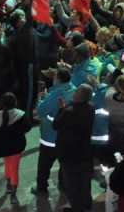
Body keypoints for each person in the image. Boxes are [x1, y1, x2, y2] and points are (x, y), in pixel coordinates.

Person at [32, 68, 75, 196]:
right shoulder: (74, 89)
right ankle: (63, 185)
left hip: (50, 138)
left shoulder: (56, 94)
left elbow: (40, 111)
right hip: (67, 138)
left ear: (58, 79)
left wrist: (40, 99)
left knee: (44, 166)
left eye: (55, 76)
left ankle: (41, 188)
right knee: (64, 164)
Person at [53, 83, 95, 212]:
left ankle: (76, 208)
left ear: (79, 95)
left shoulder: (68, 111)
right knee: (85, 182)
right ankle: (87, 205)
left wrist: (61, 109)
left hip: (69, 153)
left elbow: (56, 125)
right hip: (85, 151)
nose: (74, 92)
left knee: (72, 184)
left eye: (76, 91)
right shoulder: (91, 108)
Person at [0, 92, 30, 206]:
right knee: (14, 168)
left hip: (3, 148)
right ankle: (13, 194)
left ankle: (8, 184)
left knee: (7, 164)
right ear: (15, 102)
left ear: (1, 103)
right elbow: (27, 127)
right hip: (17, 147)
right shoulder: (21, 115)